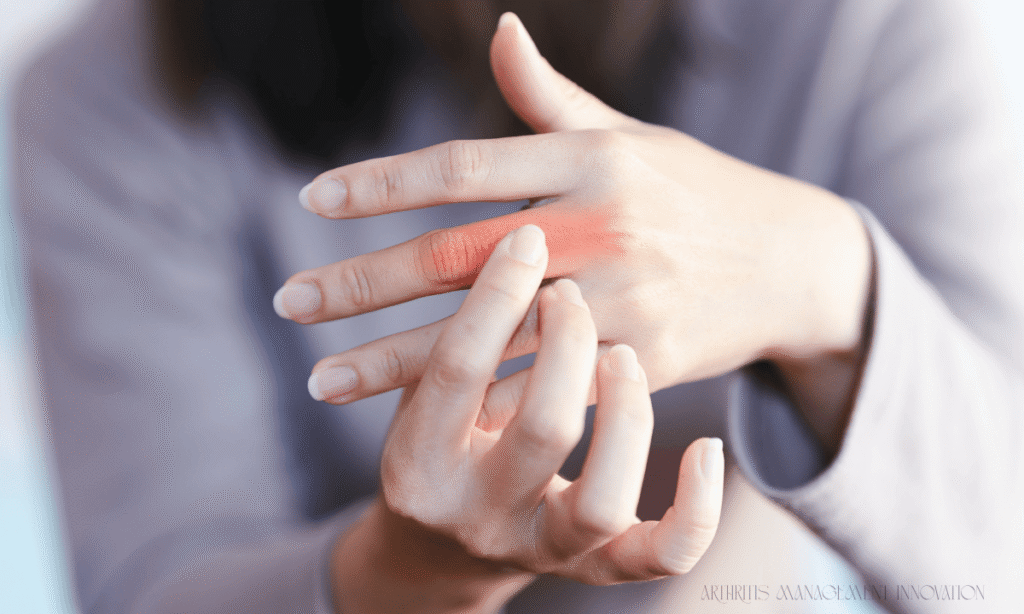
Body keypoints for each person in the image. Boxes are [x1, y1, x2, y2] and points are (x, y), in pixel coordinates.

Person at [14, 1, 1023, 613]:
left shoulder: (862, 20)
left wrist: (817, 275)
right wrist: (401, 576)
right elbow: (161, 579)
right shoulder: (106, 95)